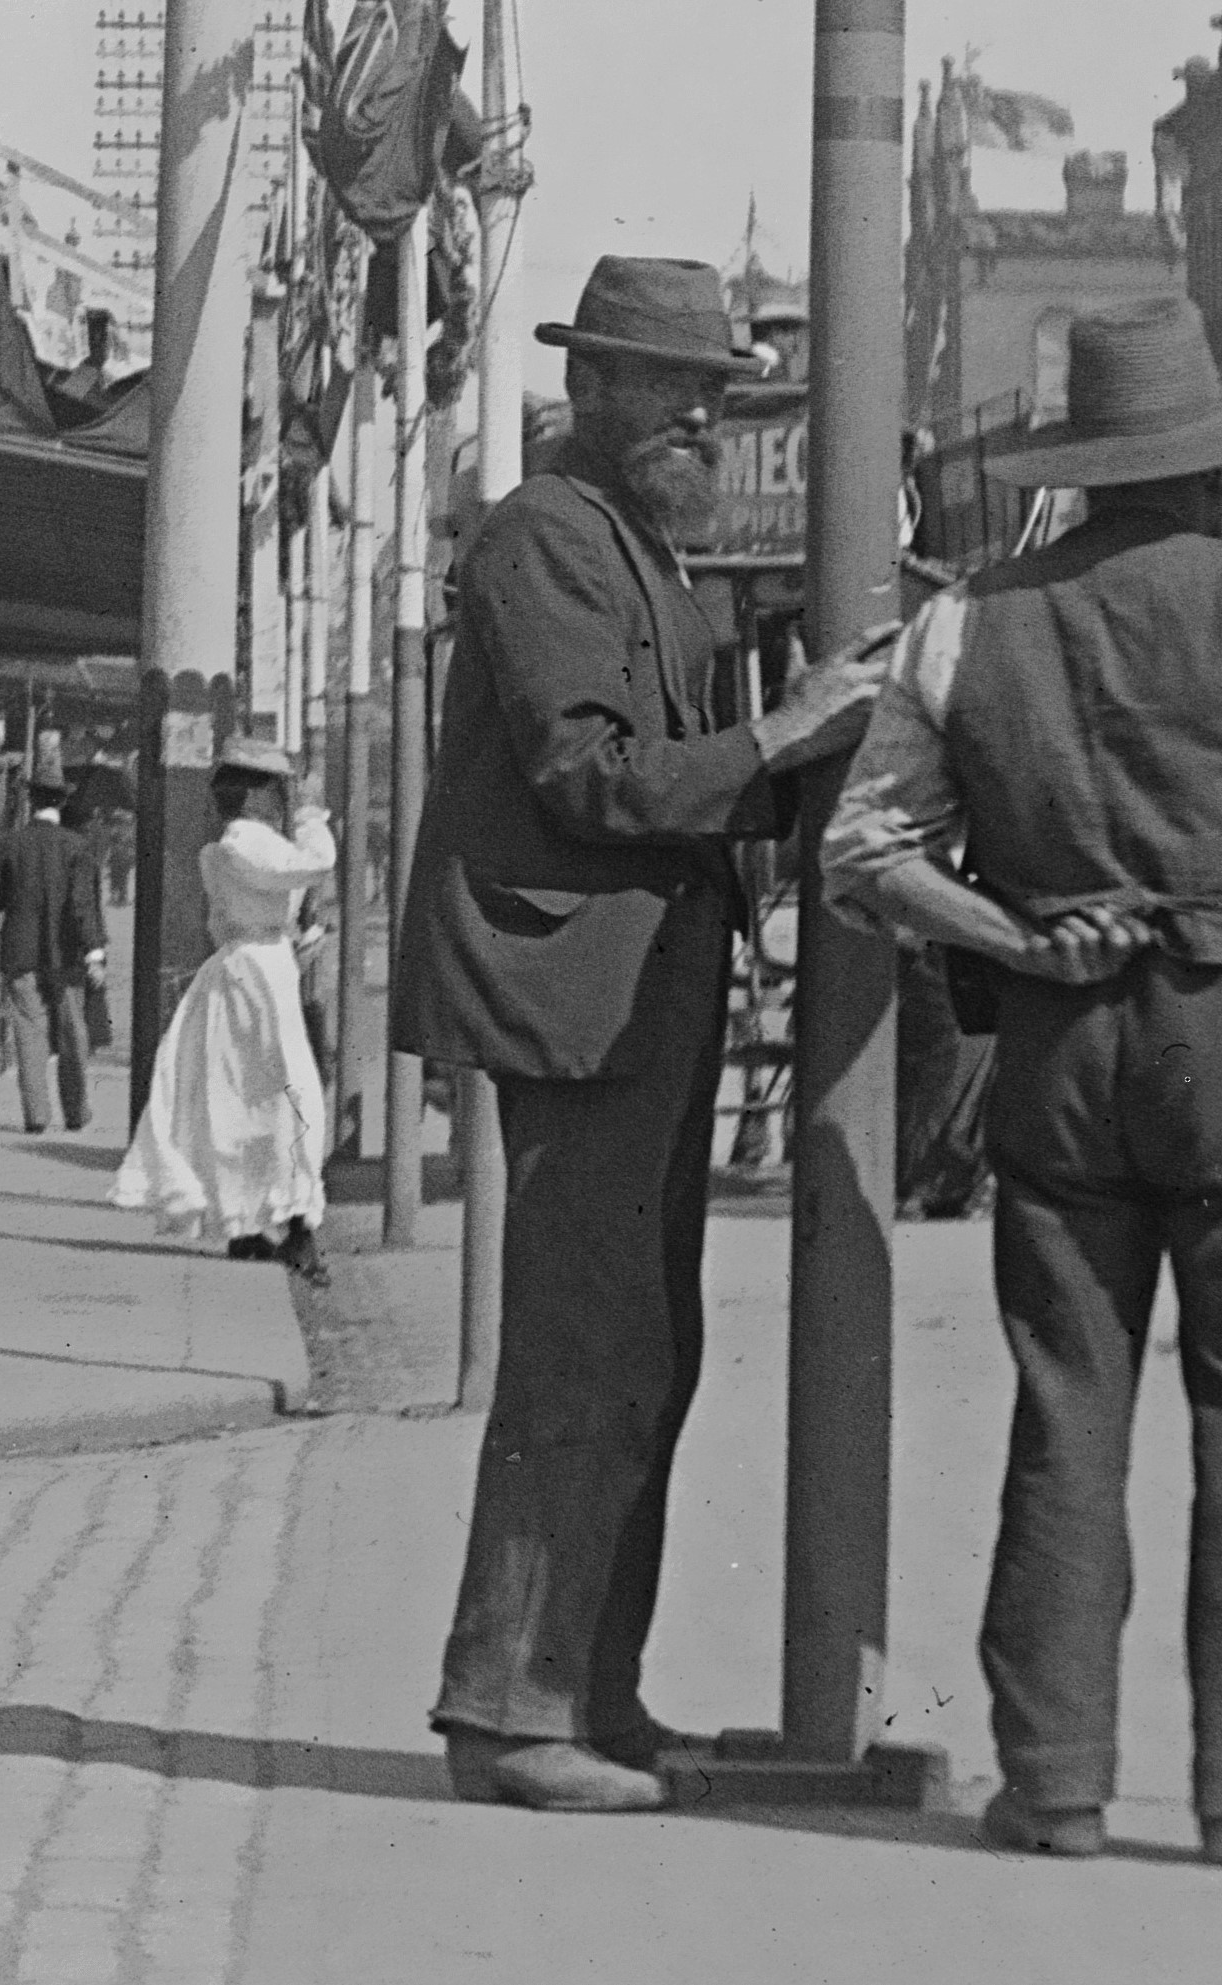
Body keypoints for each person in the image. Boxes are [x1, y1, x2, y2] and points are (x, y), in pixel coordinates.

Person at [822, 295, 1222, 1871]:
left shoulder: (961, 621)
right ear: (1206, 475)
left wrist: (1019, 938)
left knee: (1064, 1411)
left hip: (1053, 1053)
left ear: (1085, 473)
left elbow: (864, 858)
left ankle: (1049, 1784)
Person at [396, 254, 892, 1814]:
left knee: (639, 1353)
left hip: (628, 996)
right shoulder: (548, 537)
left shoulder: (635, 553)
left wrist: (798, 745)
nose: (699, 418)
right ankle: (506, 1707)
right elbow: (589, 777)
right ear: (588, 387)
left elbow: (677, 778)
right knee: (582, 1355)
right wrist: (775, 734)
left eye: (714, 395)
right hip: (574, 1004)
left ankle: (586, 1691)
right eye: (671, 388)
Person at [108, 736, 338, 1258]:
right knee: (283, 1093)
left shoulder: (234, 846)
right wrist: (310, 814)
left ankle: (251, 1222)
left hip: (252, 969)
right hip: (256, 976)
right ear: (256, 796)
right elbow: (314, 864)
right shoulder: (244, 842)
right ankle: (285, 1219)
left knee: (241, 1096)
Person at [0, 772, 108, 1133]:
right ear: (62, 803)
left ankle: (36, 1115)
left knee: (29, 1032)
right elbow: (83, 905)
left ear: (32, 802)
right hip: (66, 955)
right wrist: (94, 951)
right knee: (72, 1032)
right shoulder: (76, 847)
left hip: (20, 951)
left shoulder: (9, 843)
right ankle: (76, 1113)